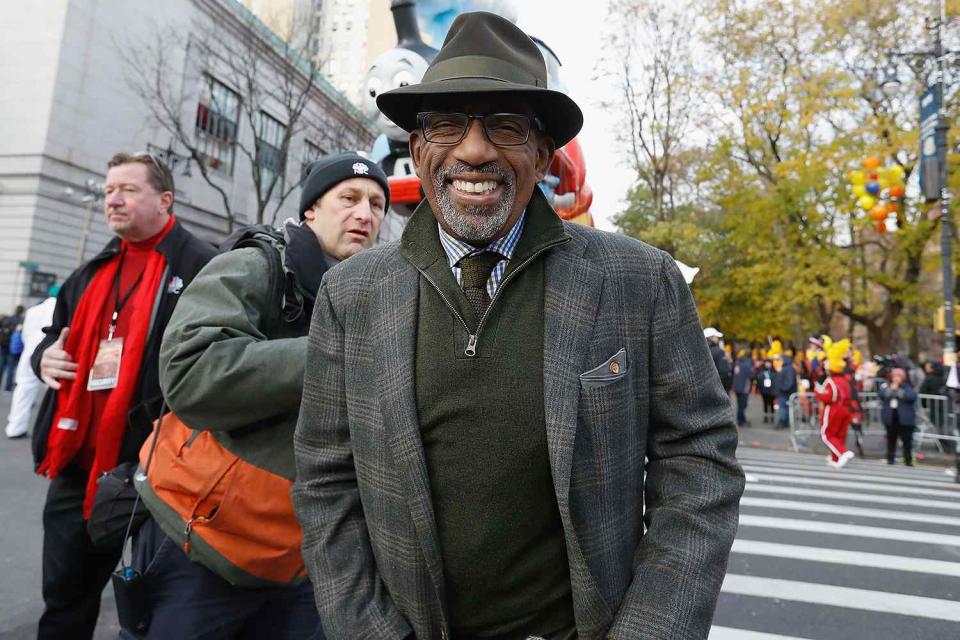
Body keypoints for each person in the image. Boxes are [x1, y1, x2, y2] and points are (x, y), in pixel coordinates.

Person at [293, 13, 745, 640]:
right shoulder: (351, 294)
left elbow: (699, 463)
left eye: (504, 125)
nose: (474, 149)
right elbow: (325, 480)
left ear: (540, 152)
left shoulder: (641, 281)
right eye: (448, 124)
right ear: (419, 149)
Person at [136, 152, 388, 639]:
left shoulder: (377, 298)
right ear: (311, 210)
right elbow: (190, 375)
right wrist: (331, 351)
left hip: (307, 560)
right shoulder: (256, 265)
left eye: (377, 205)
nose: (365, 214)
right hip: (202, 546)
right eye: (350, 198)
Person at [29, 152, 215, 640]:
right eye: (109, 189)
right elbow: (54, 334)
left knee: (155, 611)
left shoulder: (201, 265)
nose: (113, 198)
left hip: (156, 470)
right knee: (64, 601)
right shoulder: (94, 267)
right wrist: (43, 356)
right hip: (76, 463)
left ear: (165, 199)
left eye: (128, 189)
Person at [5, 287, 59, 438]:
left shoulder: (33, 310)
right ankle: (49, 432)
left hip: (29, 354)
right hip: (51, 355)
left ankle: (15, 427)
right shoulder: (61, 309)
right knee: (53, 393)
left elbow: (25, 335)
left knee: (23, 390)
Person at [814, 339, 855, 468]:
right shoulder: (845, 380)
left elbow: (829, 397)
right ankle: (835, 458)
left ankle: (842, 453)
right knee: (839, 435)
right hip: (846, 410)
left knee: (827, 434)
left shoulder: (831, 381)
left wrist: (817, 392)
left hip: (834, 409)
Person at [880, 368, 918, 466]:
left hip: (905, 418)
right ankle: (890, 458)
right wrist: (891, 390)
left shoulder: (907, 386)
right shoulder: (887, 385)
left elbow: (911, 397)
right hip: (891, 417)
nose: (896, 378)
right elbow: (882, 395)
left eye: (898, 376)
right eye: (894, 376)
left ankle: (908, 460)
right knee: (891, 439)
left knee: (907, 440)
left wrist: (898, 391)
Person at [0, 305, 26, 391]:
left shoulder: (8, 318)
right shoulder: (21, 321)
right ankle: (8, 386)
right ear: (22, 311)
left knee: (1, 365)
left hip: (3, 344)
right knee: (11, 367)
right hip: (14, 346)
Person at [705, 327, 733, 393]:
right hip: (718, 387)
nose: (718, 339)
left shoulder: (700, 351)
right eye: (716, 337)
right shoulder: (719, 351)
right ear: (711, 337)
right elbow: (724, 371)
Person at [774, 351, 798, 429]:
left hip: (785, 393)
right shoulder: (787, 368)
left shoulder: (788, 369)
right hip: (786, 392)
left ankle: (783, 422)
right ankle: (785, 422)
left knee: (783, 408)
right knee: (785, 408)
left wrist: (783, 388)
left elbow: (789, 382)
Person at [733, 349, 755, 427]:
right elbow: (752, 374)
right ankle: (741, 420)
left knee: (739, 405)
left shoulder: (737, 363)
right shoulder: (747, 364)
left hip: (737, 388)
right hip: (744, 389)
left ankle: (741, 419)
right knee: (742, 405)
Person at [757, 359, 777, 424]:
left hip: (772, 391)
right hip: (764, 391)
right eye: (767, 363)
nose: (768, 364)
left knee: (771, 404)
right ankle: (765, 417)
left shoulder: (774, 372)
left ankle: (772, 417)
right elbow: (759, 381)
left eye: (769, 363)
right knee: (765, 404)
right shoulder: (762, 372)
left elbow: (776, 381)